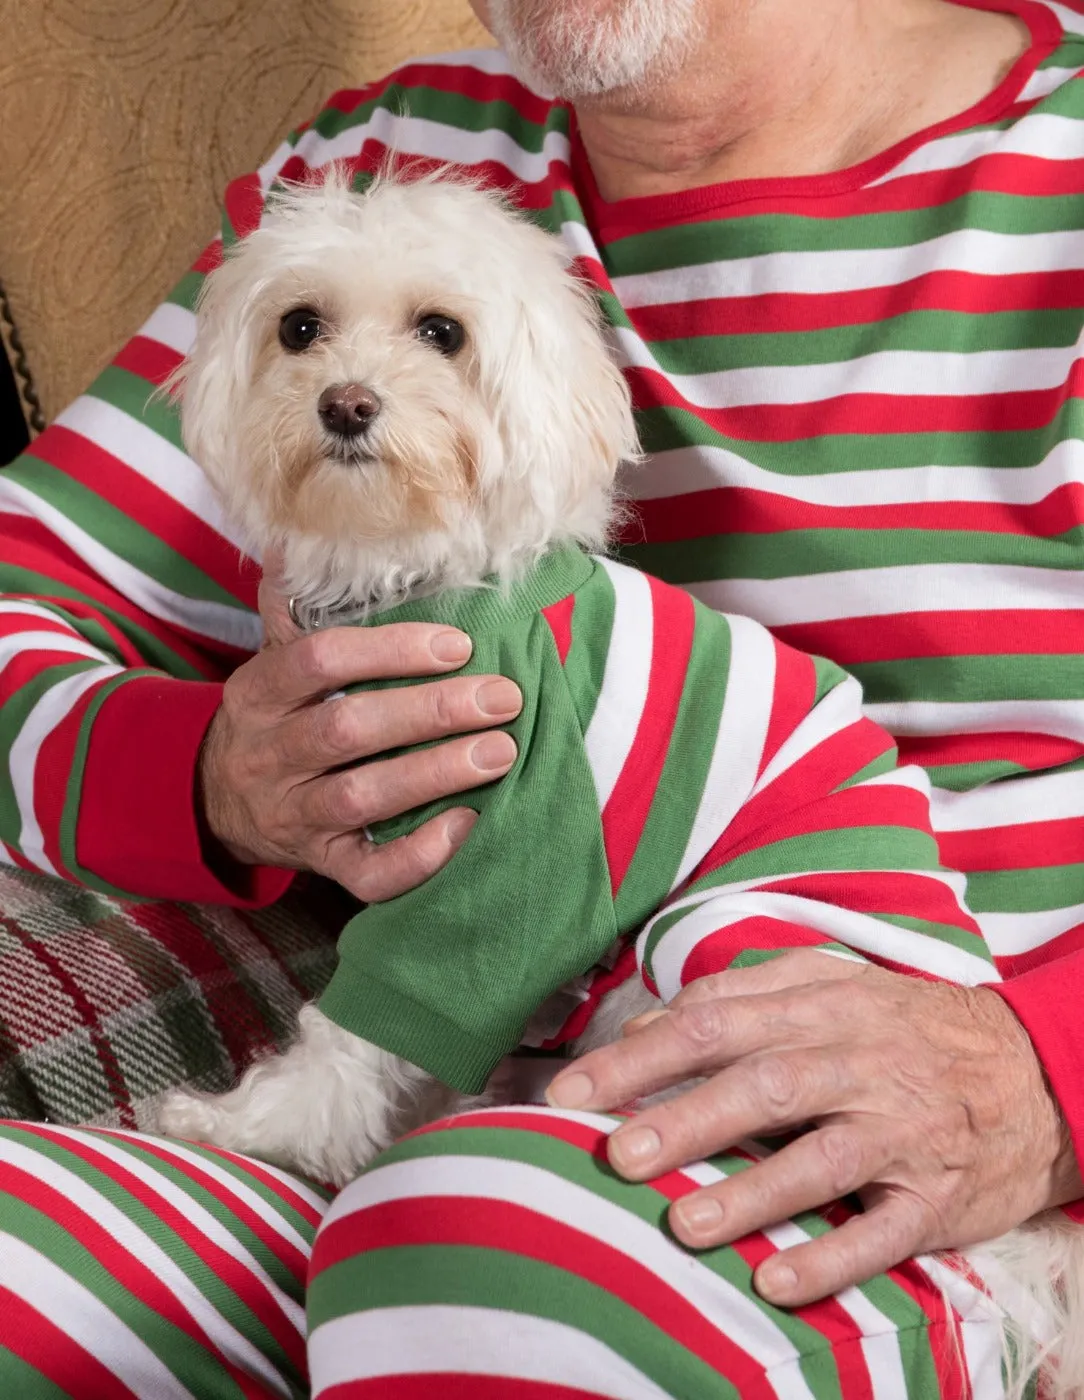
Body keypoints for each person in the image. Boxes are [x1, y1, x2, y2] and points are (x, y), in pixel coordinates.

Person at [2, 0, 1084, 1392]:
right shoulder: (378, 175)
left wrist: (1045, 1081)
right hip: (445, 1105)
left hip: (936, 1197)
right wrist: (220, 778)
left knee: (479, 1264)